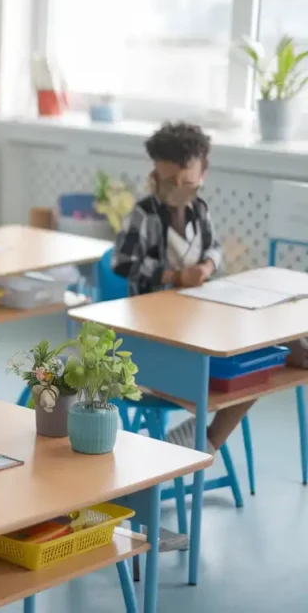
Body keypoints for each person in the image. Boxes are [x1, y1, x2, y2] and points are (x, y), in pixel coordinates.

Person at [113, 122, 250, 552]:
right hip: (150, 336)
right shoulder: (144, 214)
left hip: (195, 327)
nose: (174, 186)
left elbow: (212, 252)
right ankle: (177, 455)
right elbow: (124, 263)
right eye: (165, 178)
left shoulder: (201, 211)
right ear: (155, 174)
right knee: (211, 379)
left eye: (182, 178)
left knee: (258, 371)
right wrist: (174, 275)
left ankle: (194, 443)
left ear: (201, 172)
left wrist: (205, 269)